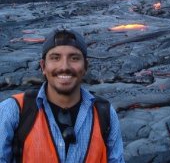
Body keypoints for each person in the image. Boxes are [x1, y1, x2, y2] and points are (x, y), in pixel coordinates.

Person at [0, 27, 125, 163]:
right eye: (55, 58)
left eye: (74, 58)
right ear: (43, 66)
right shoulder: (14, 111)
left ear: (85, 66)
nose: (64, 66)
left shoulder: (105, 114)